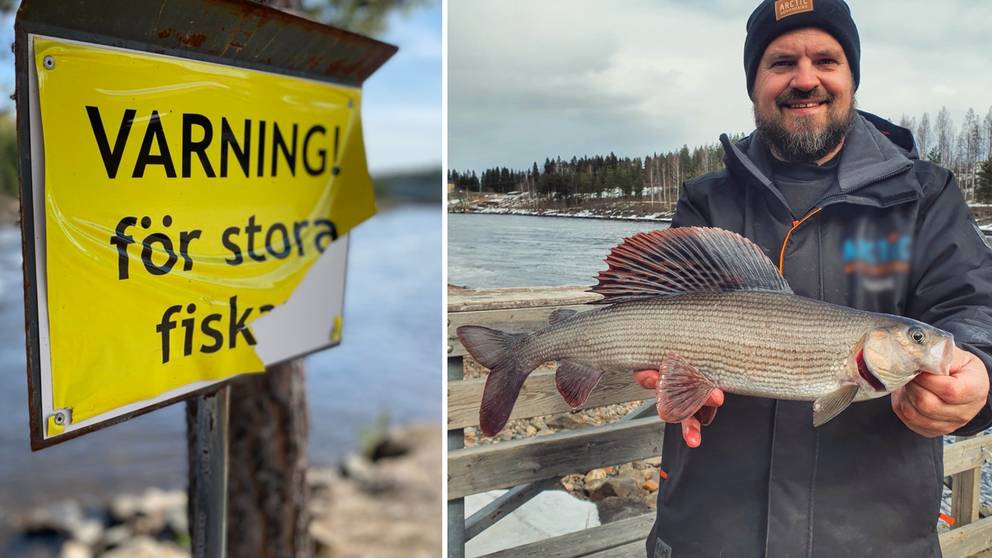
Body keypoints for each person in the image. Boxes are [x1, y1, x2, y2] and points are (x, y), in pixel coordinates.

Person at [635, 1, 992, 556]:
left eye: (826, 60)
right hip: (708, 533)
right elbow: (659, 307)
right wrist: (672, 373)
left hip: (878, 539)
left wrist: (979, 374)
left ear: (852, 75)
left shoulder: (925, 196)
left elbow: (975, 307)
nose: (805, 80)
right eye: (782, 62)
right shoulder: (707, 200)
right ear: (754, 81)